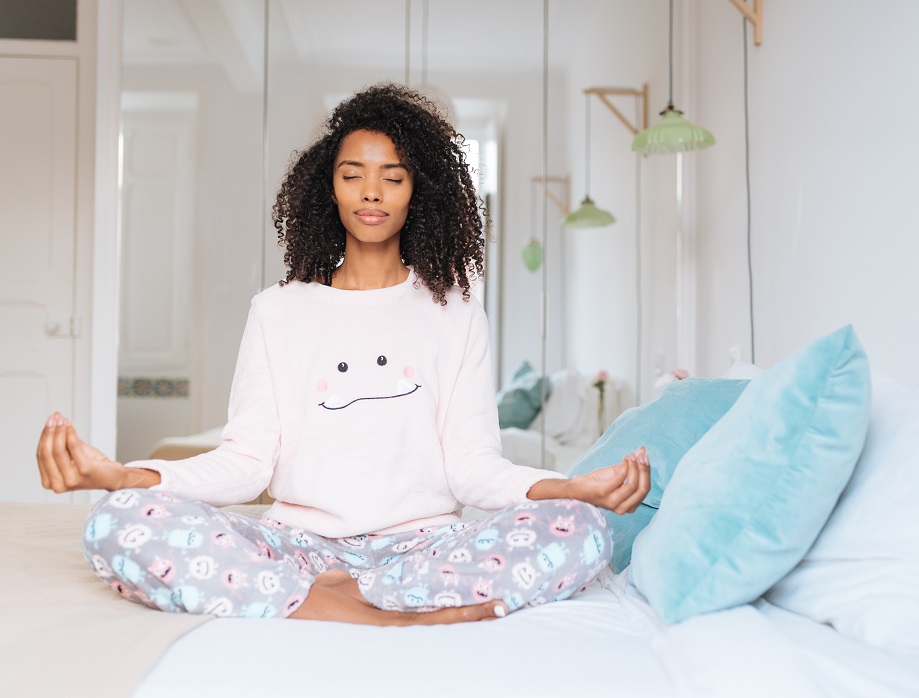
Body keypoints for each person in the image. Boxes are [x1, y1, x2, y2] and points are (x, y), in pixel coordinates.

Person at [35, 83, 650, 627]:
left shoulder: (457, 313)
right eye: (352, 173)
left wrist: (569, 488)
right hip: (297, 543)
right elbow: (246, 462)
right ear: (328, 186)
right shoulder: (277, 310)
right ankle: (364, 606)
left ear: (419, 191)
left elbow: (473, 469)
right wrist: (121, 476)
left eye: (394, 175)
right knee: (116, 523)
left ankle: (335, 596)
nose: (371, 192)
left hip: (424, 547)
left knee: (582, 531)